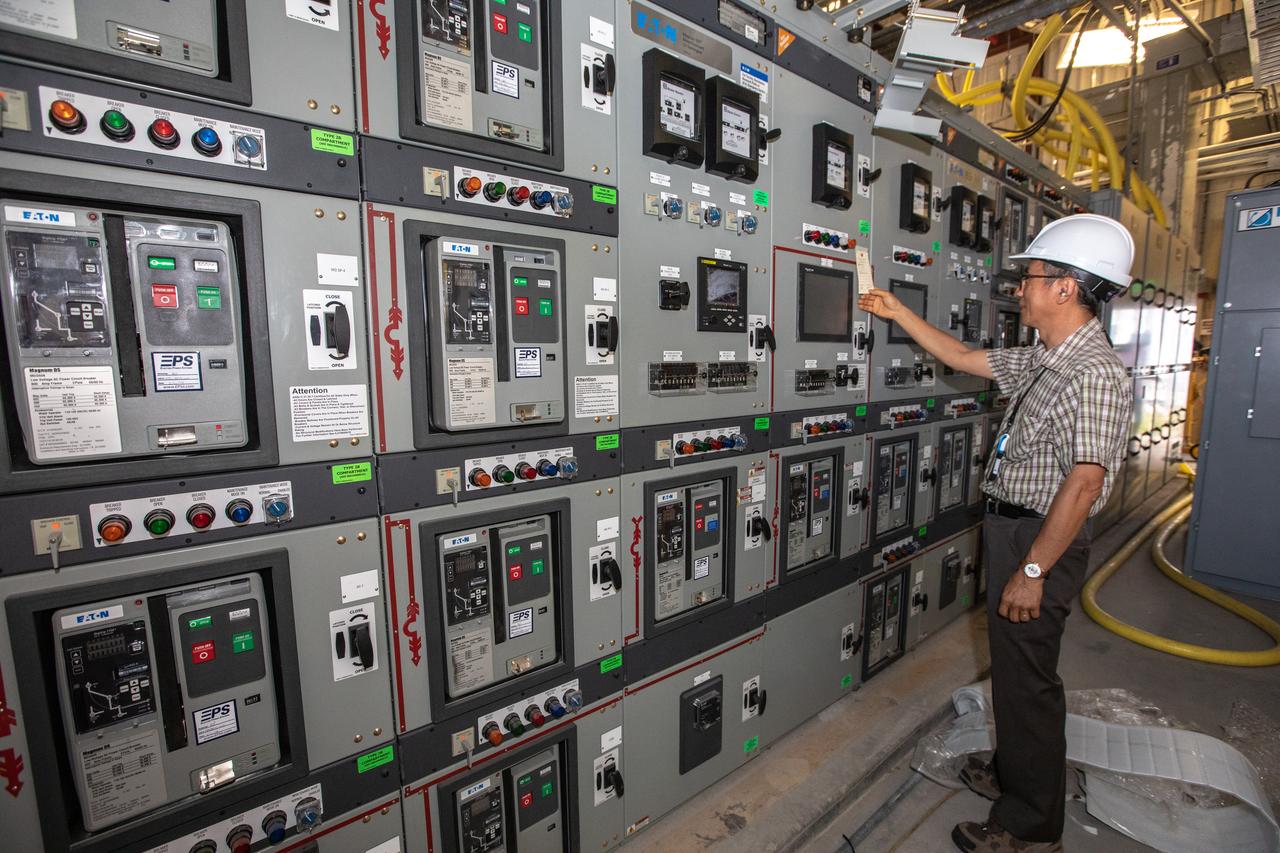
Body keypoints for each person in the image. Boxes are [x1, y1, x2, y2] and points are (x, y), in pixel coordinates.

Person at [858, 214, 1135, 853]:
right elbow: (962, 356)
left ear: (1067, 287)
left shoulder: (1091, 372)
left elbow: (1085, 483)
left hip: (1042, 539)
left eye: (1032, 278)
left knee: (1027, 681)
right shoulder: (1047, 357)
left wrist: (1033, 571)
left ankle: (1032, 827)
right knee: (1013, 670)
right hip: (1016, 528)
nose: (1020, 289)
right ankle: (1016, 774)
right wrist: (897, 311)